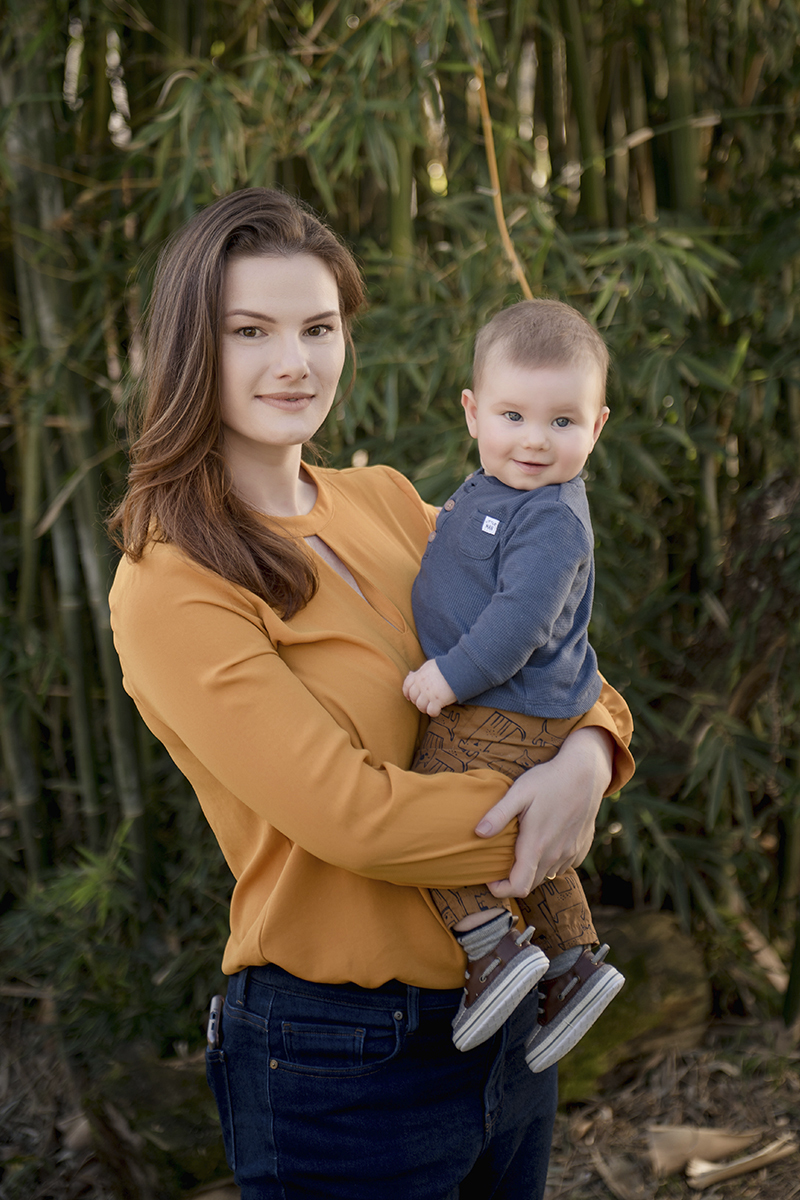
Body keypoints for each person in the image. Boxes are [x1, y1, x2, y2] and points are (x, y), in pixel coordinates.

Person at [108, 187, 634, 1200]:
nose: (295, 362)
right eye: (250, 331)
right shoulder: (172, 583)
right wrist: (548, 824)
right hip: (342, 1060)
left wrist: (587, 756)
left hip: (513, 1014)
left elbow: (553, 654)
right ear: (189, 348)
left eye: (318, 327)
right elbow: (357, 821)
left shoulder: (384, 499)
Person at [402, 299, 625, 1072]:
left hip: (501, 704)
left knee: (437, 812)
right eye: (513, 416)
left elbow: (519, 622)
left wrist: (450, 675)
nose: (534, 439)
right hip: (522, 706)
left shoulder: (553, 517)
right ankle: (572, 961)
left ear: (597, 427)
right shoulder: (493, 487)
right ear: (473, 413)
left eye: (562, 421)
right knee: (532, 838)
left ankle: (490, 947)